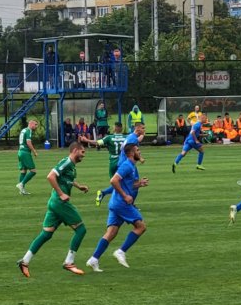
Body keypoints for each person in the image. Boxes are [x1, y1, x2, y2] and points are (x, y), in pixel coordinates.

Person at [17, 142, 90, 277]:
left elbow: (67, 179)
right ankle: (69, 262)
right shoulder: (67, 162)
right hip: (59, 202)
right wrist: (61, 194)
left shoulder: (71, 166)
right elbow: (50, 176)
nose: (84, 155)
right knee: (81, 230)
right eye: (82, 152)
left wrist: (79, 186)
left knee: (46, 234)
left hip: (54, 202)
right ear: (75, 150)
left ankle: (24, 261)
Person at [86, 143, 149, 272]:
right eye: (137, 150)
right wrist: (125, 196)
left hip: (115, 203)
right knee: (141, 227)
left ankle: (94, 259)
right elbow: (113, 180)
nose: (140, 152)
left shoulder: (131, 166)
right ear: (131, 153)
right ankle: (121, 251)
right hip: (121, 203)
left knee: (111, 232)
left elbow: (128, 184)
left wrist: (139, 184)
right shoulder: (126, 165)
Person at [79, 122, 128, 206]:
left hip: (113, 162)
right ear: (121, 128)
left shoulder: (109, 138)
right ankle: (106, 194)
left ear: (115, 128)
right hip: (123, 162)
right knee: (124, 184)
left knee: (118, 184)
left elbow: (97, 143)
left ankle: (107, 195)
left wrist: (86, 140)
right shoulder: (126, 138)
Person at [16, 119, 40, 195]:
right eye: (35, 125)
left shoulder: (23, 130)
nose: (36, 126)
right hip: (25, 152)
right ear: (31, 124)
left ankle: (22, 190)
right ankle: (21, 184)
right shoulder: (29, 131)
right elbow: (28, 142)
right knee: (33, 171)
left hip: (20, 151)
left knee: (23, 171)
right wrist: (34, 151)